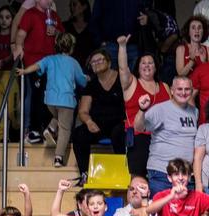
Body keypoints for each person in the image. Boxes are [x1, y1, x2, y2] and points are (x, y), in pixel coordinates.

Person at [16, 32, 87, 168]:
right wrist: (87, 79)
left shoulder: (49, 59)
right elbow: (82, 81)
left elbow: (36, 66)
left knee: (59, 117)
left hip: (50, 100)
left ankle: (51, 128)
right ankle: (58, 157)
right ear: (72, 47)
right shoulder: (73, 62)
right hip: (66, 100)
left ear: (56, 45)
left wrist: (25, 72)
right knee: (65, 129)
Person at [134, 80, 200, 197]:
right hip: (162, 174)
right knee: (160, 214)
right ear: (172, 90)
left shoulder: (194, 111)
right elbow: (139, 127)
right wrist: (142, 109)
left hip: (184, 175)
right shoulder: (160, 109)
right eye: (179, 89)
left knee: (185, 215)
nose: (183, 92)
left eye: (187, 89)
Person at [118, 36, 170, 180]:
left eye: (150, 63)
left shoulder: (165, 86)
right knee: (138, 179)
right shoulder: (132, 83)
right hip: (138, 137)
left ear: (156, 66)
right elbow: (123, 69)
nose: (147, 66)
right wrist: (122, 46)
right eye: (143, 63)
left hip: (161, 138)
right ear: (138, 66)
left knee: (162, 179)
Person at [72, 49, 128, 180]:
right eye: (93, 62)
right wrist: (89, 122)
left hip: (119, 123)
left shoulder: (122, 79)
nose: (96, 63)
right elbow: (83, 111)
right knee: (79, 134)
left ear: (108, 62)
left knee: (119, 134)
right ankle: (85, 174)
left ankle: (124, 172)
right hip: (98, 125)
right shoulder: (91, 85)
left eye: (100, 60)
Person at [11, 0, 58, 144]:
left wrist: (55, 31)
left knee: (49, 96)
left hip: (50, 62)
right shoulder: (30, 14)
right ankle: (34, 129)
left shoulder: (54, 15)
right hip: (34, 62)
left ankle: (47, 130)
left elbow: (62, 34)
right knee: (36, 96)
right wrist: (18, 47)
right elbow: (20, 34)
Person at [0, 5, 19, 142]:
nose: (4, 21)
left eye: (7, 17)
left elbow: (16, 55)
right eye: (1, 17)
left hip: (10, 74)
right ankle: (0, 137)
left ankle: (16, 132)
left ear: (13, 19)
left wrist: (5, 60)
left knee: (13, 108)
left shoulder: (16, 38)